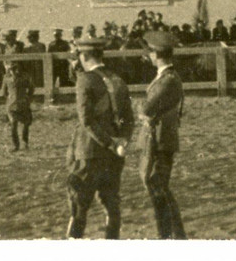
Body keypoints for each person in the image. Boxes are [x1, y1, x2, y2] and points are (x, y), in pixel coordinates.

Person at [65, 37, 134, 240]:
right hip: (114, 155)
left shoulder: (85, 80)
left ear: (84, 56)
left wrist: (109, 143)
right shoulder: (117, 79)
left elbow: (86, 121)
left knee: (79, 207)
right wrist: (121, 142)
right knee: (111, 205)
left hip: (89, 153)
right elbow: (129, 119)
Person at [139, 30, 187, 239]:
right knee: (159, 189)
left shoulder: (168, 80)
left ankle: (169, 236)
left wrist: (142, 111)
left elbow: (146, 108)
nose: (148, 55)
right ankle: (174, 236)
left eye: (150, 52)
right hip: (159, 138)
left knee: (158, 189)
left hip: (161, 139)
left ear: (157, 54)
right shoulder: (167, 77)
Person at [1, 60, 34, 152]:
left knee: (26, 124)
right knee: (14, 124)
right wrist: (10, 98)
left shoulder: (25, 77)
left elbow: (31, 89)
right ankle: (16, 145)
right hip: (12, 105)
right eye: (13, 69)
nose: (15, 71)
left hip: (23, 104)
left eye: (16, 69)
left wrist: (28, 98)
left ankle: (25, 142)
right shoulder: (6, 78)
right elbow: (3, 92)